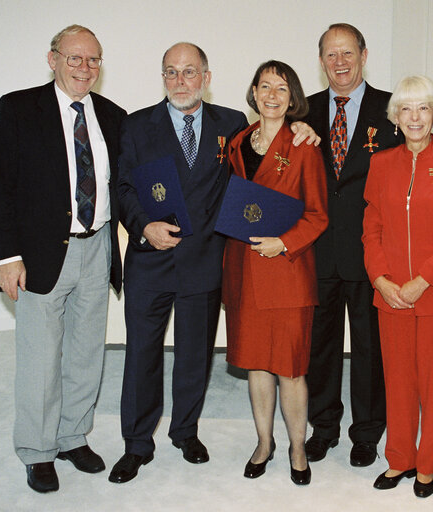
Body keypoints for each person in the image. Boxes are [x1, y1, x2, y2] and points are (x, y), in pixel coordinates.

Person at [110, 43, 319, 484]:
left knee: (194, 355)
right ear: (162, 76)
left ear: (207, 76)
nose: (181, 81)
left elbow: (263, 166)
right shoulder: (135, 125)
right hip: (151, 259)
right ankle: (136, 444)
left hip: (205, 261)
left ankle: (186, 432)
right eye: (171, 72)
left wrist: (305, 128)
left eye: (190, 72)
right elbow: (123, 186)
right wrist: (144, 225)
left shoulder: (232, 125)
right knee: (142, 354)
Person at [0, 25, 126, 493]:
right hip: (43, 252)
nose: (85, 68)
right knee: (40, 358)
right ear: (52, 59)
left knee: (86, 353)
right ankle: (38, 450)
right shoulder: (19, 108)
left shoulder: (112, 114)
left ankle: (71, 436)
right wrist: (6, 255)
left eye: (94, 60)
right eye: (75, 58)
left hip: (98, 245)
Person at [362, 75, 433, 498]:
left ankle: (427, 466)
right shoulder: (380, 164)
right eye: (406, 109)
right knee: (398, 381)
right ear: (395, 116)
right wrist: (380, 279)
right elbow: (371, 228)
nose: (415, 117)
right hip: (389, 293)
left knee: (432, 383)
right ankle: (399, 460)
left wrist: (421, 281)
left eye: (423, 108)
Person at [222, 61, 328, 486]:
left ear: (292, 98)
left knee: (290, 368)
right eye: (264, 86)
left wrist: (283, 243)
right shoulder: (237, 142)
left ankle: (298, 446)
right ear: (253, 91)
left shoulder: (303, 145)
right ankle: (264, 442)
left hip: (287, 271)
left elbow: (318, 214)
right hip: (243, 272)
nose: (271, 95)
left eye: (281, 88)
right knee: (256, 366)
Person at [304, 22, 401, 467]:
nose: (339, 62)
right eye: (330, 55)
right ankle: (323, 427)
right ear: (321, 60)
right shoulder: (301, 111)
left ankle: (366, 432)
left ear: (364, 54)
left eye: (347, 53)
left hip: (372, 253)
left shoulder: (394, 109)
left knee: (369, 348)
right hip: (317, 251)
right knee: (318, 348)